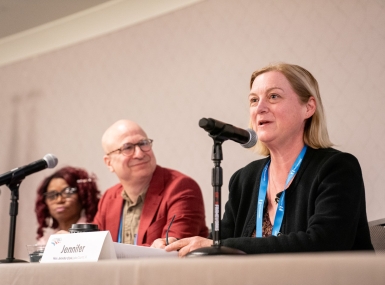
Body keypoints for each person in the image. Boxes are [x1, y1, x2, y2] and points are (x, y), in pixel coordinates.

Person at [165, 63, 374, 256]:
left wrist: (220, 246)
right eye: (254, 100)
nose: (260, 108)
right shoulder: (244, 179)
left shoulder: (336, 168)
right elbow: (218, 243)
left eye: (273, 96)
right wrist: (178, 246)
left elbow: (325, 243)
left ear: (308, 107)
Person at [93, 119, 208, 246]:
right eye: (128, 148)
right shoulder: (109, 197)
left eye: (143, 143)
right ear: (109, 163)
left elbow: (174, 249)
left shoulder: (182, 187)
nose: (139, 154)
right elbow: (94, 247)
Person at [35, 166, 101, 245]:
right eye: (52, 195)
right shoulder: (46, 241)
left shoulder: (94, 233)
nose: (59, 200)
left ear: (83, 195)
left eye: (68, 192)